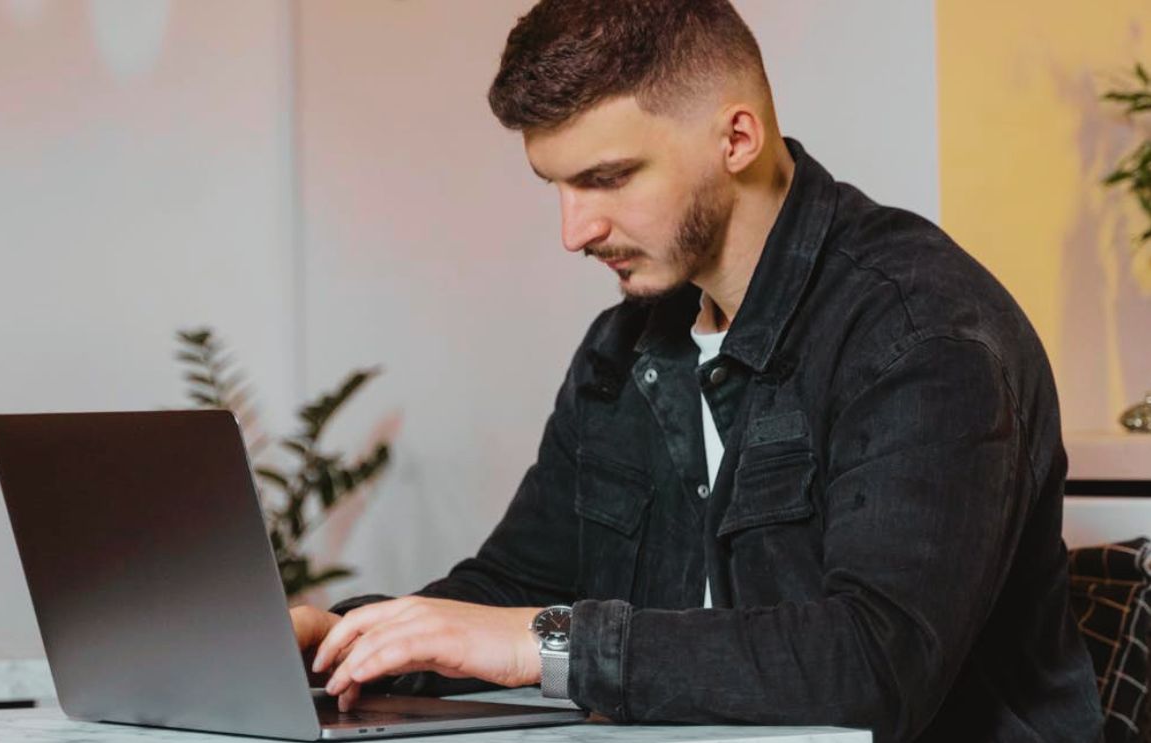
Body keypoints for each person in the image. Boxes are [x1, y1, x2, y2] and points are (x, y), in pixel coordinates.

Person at [291, 1, 1104, 740]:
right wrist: (346, 639)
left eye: (606, 178)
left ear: (736, 139)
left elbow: (874, 664)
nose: (575, 230)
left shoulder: (921, 332)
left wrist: (543, 641)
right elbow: (510, 585)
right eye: (557, 186)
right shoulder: (624, 349)